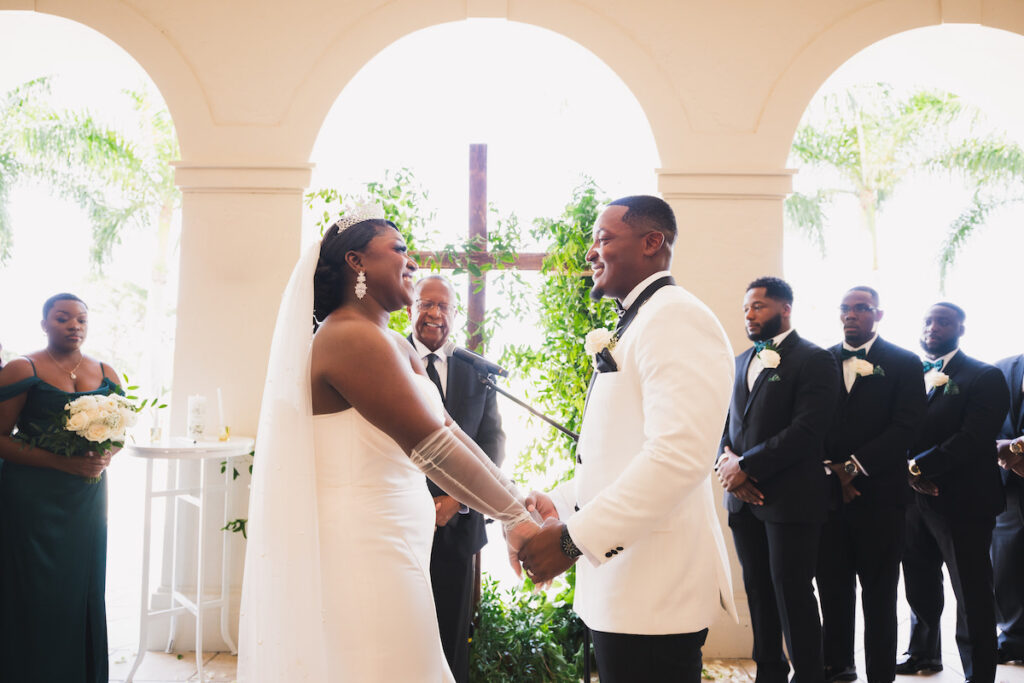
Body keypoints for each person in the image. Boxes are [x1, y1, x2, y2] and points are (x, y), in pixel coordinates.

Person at [237, 203, 539, 683]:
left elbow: (452, 430)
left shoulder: (393, 343)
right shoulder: (347, 338)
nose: (412, 263)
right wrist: (516, 519)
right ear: (357, 262)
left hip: (398, 541)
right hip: (364, 549)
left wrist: (518, 495)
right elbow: (432, 447)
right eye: (399, 249)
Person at [517, 195, 737, 683]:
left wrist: (571, 542)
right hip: (624, 586)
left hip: (654, 590)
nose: (591, 252)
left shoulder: (676, 317)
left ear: (652, 242)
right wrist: (561, 503)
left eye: (604, 238)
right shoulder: (640, 319)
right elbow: (620, 455)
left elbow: (677, 457)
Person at [715, 276, 839, 683]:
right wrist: (727, 466)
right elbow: (727, 428)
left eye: (759, 307)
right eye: (746, 308)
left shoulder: (814, 359)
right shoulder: (739, 361)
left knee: (793, 594)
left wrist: (746, 466)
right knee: (759, 594)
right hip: (743, 501)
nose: (749, 315)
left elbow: (808, 431)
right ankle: (768, 673)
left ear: (785, 309)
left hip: (791, 500)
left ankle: (809, 676)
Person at [0, 293, 123, 683]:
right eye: (62, 318)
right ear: (44, 324)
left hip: (85, 500)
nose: (74, 326)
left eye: (82, 320)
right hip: (31, 499)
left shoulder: (106, 371)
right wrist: (61, 461)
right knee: (34, 590)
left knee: (79, 587)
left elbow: (119, 433)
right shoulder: (23, 368)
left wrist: (105, 456)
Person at [815, 286, 925, 683]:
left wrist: (854, 467)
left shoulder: (904, 362)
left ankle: (881, 674)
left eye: (861, 309)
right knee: (832, 588)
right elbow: (810, 423)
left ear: (878, 315)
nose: (851, 315)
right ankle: (838, 667)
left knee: (879, 594)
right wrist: (832, 471)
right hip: (827, 499)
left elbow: (906, 426)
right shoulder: (821, 360)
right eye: (845, 308)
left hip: (881, 498)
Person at [897, 302, 1009, 683]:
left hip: (963, 502)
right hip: (913, 500)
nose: (933, 327)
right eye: (927, 320)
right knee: (918, 579)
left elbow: (973, 439)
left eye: (942, 321)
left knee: (971, 590)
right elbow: (897, 426)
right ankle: (923, 654)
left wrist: (918, 466)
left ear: (961, 326)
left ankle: (980, 673)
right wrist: (906, 471)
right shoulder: (909, 373)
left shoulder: (984, 376)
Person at [408, 274, 506, 683]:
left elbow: (491, 443)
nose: (434, 314)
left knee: (451, 640)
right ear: (410, 308)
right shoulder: (390, 357)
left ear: (454, 315)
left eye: (443, 307)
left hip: (459, 526)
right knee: (405, 633)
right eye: (426, 304)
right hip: (402, 522)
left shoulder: (474, 369)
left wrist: (454, 500)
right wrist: (420, 505)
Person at [993, 352, 1024, 663]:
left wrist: (1018, 447)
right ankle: (1013, 638)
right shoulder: (1003, 368)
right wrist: (1006, 457)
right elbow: (986, 418)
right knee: (1006, 565)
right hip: (1009, 484)